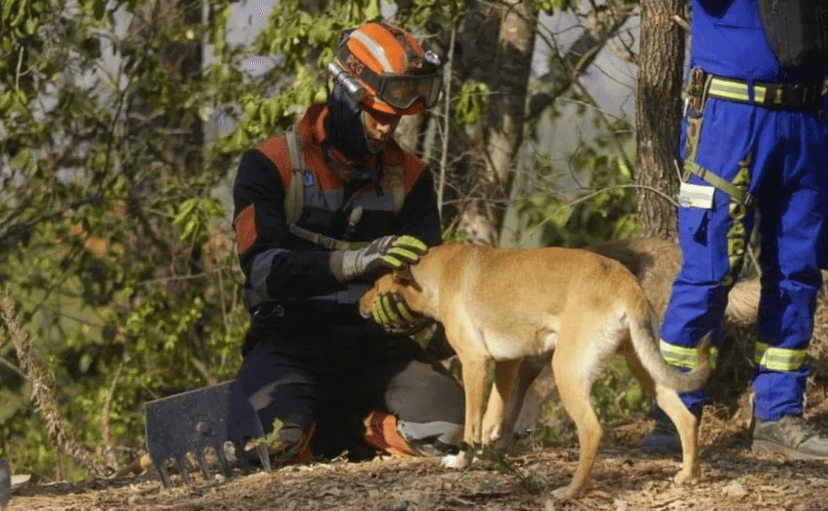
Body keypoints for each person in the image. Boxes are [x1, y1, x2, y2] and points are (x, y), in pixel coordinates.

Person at [228, 21, 464, 463]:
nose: (385, 128)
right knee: (260, 450)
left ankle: (351, 430)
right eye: (378, 114)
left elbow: (428, 275)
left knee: (452, 432)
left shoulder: (412, 176)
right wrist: (353, 263)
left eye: (396, 119)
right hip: (289, 339)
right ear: (343, 94)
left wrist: (410, 311)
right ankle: (302, 431)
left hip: (376, 346)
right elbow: (262, 269)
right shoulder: (269, 163)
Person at [641, 0, 828, 459]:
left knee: (797, 274)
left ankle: (778, 416)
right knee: (709, 271)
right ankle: (672, 413)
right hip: (729, 117)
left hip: (808, 117)